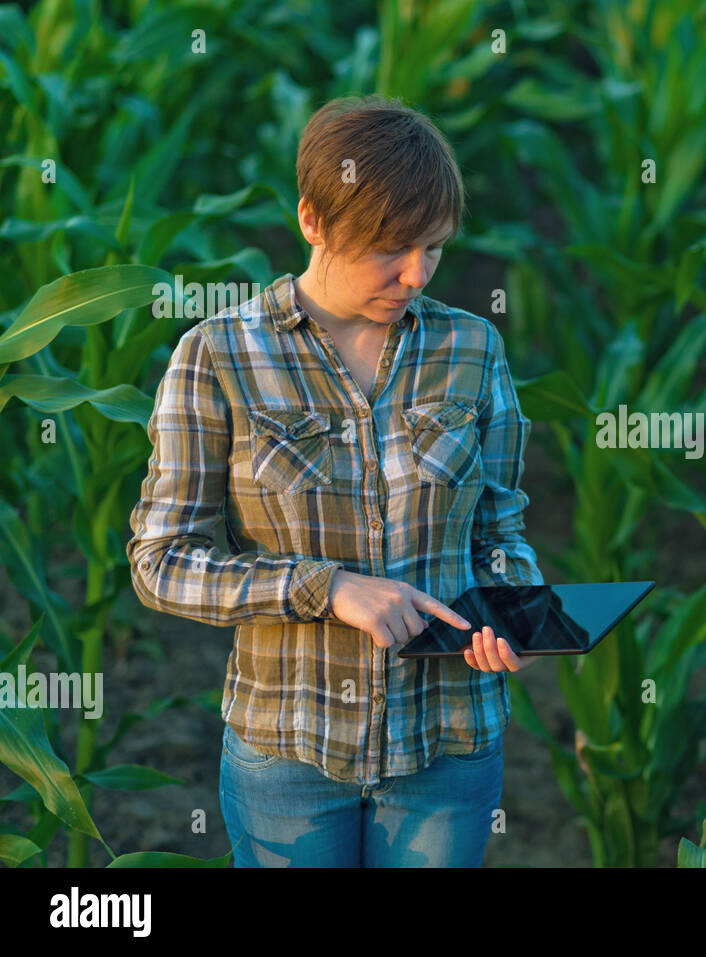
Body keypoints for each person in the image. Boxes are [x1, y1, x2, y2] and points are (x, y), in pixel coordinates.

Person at [125, 95, 544, 867]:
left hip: (447, 741)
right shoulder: (219, 356)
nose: (416, 273)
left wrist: (511, 607)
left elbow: (497, 528)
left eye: (436, 248)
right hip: (289, 748)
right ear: (313, 220)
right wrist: (327, 587)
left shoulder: (471, 348)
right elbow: (161, 562)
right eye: (391, 247)